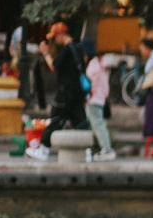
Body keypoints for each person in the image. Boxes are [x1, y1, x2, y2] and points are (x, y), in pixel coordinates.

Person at [29, 23, 87, 161]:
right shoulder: (78, 47)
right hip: (76, 92)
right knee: (80, 122)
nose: (55, 40)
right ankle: (87, 151)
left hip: (65, 92)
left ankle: (43, 149)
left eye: (55, 37)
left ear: (61, 34)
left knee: (56, 119)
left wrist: (45, 53)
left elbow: (54, 65)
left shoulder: (67, 49)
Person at [81, 40, 116, 162]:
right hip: (100, 98)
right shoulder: (101, 64)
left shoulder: (93, 66)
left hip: (93, 99)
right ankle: (98, 148)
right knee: (97, 124)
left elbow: (90, 85)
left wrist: (87, 97)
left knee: (98, 125)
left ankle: (106, 149)